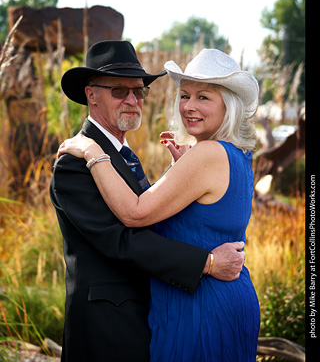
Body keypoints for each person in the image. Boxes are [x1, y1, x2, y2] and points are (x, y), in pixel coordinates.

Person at [58, 47, 261, 362]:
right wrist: (205, 260)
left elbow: (137, 213)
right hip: (114, 322)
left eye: (138, 91)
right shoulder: (74, 163)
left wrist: (94, 152)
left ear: (229, 105)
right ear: (91, 95)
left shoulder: (204, 155)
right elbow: (123, 239)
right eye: (185, 96)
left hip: (200, 304)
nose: (132, 100)